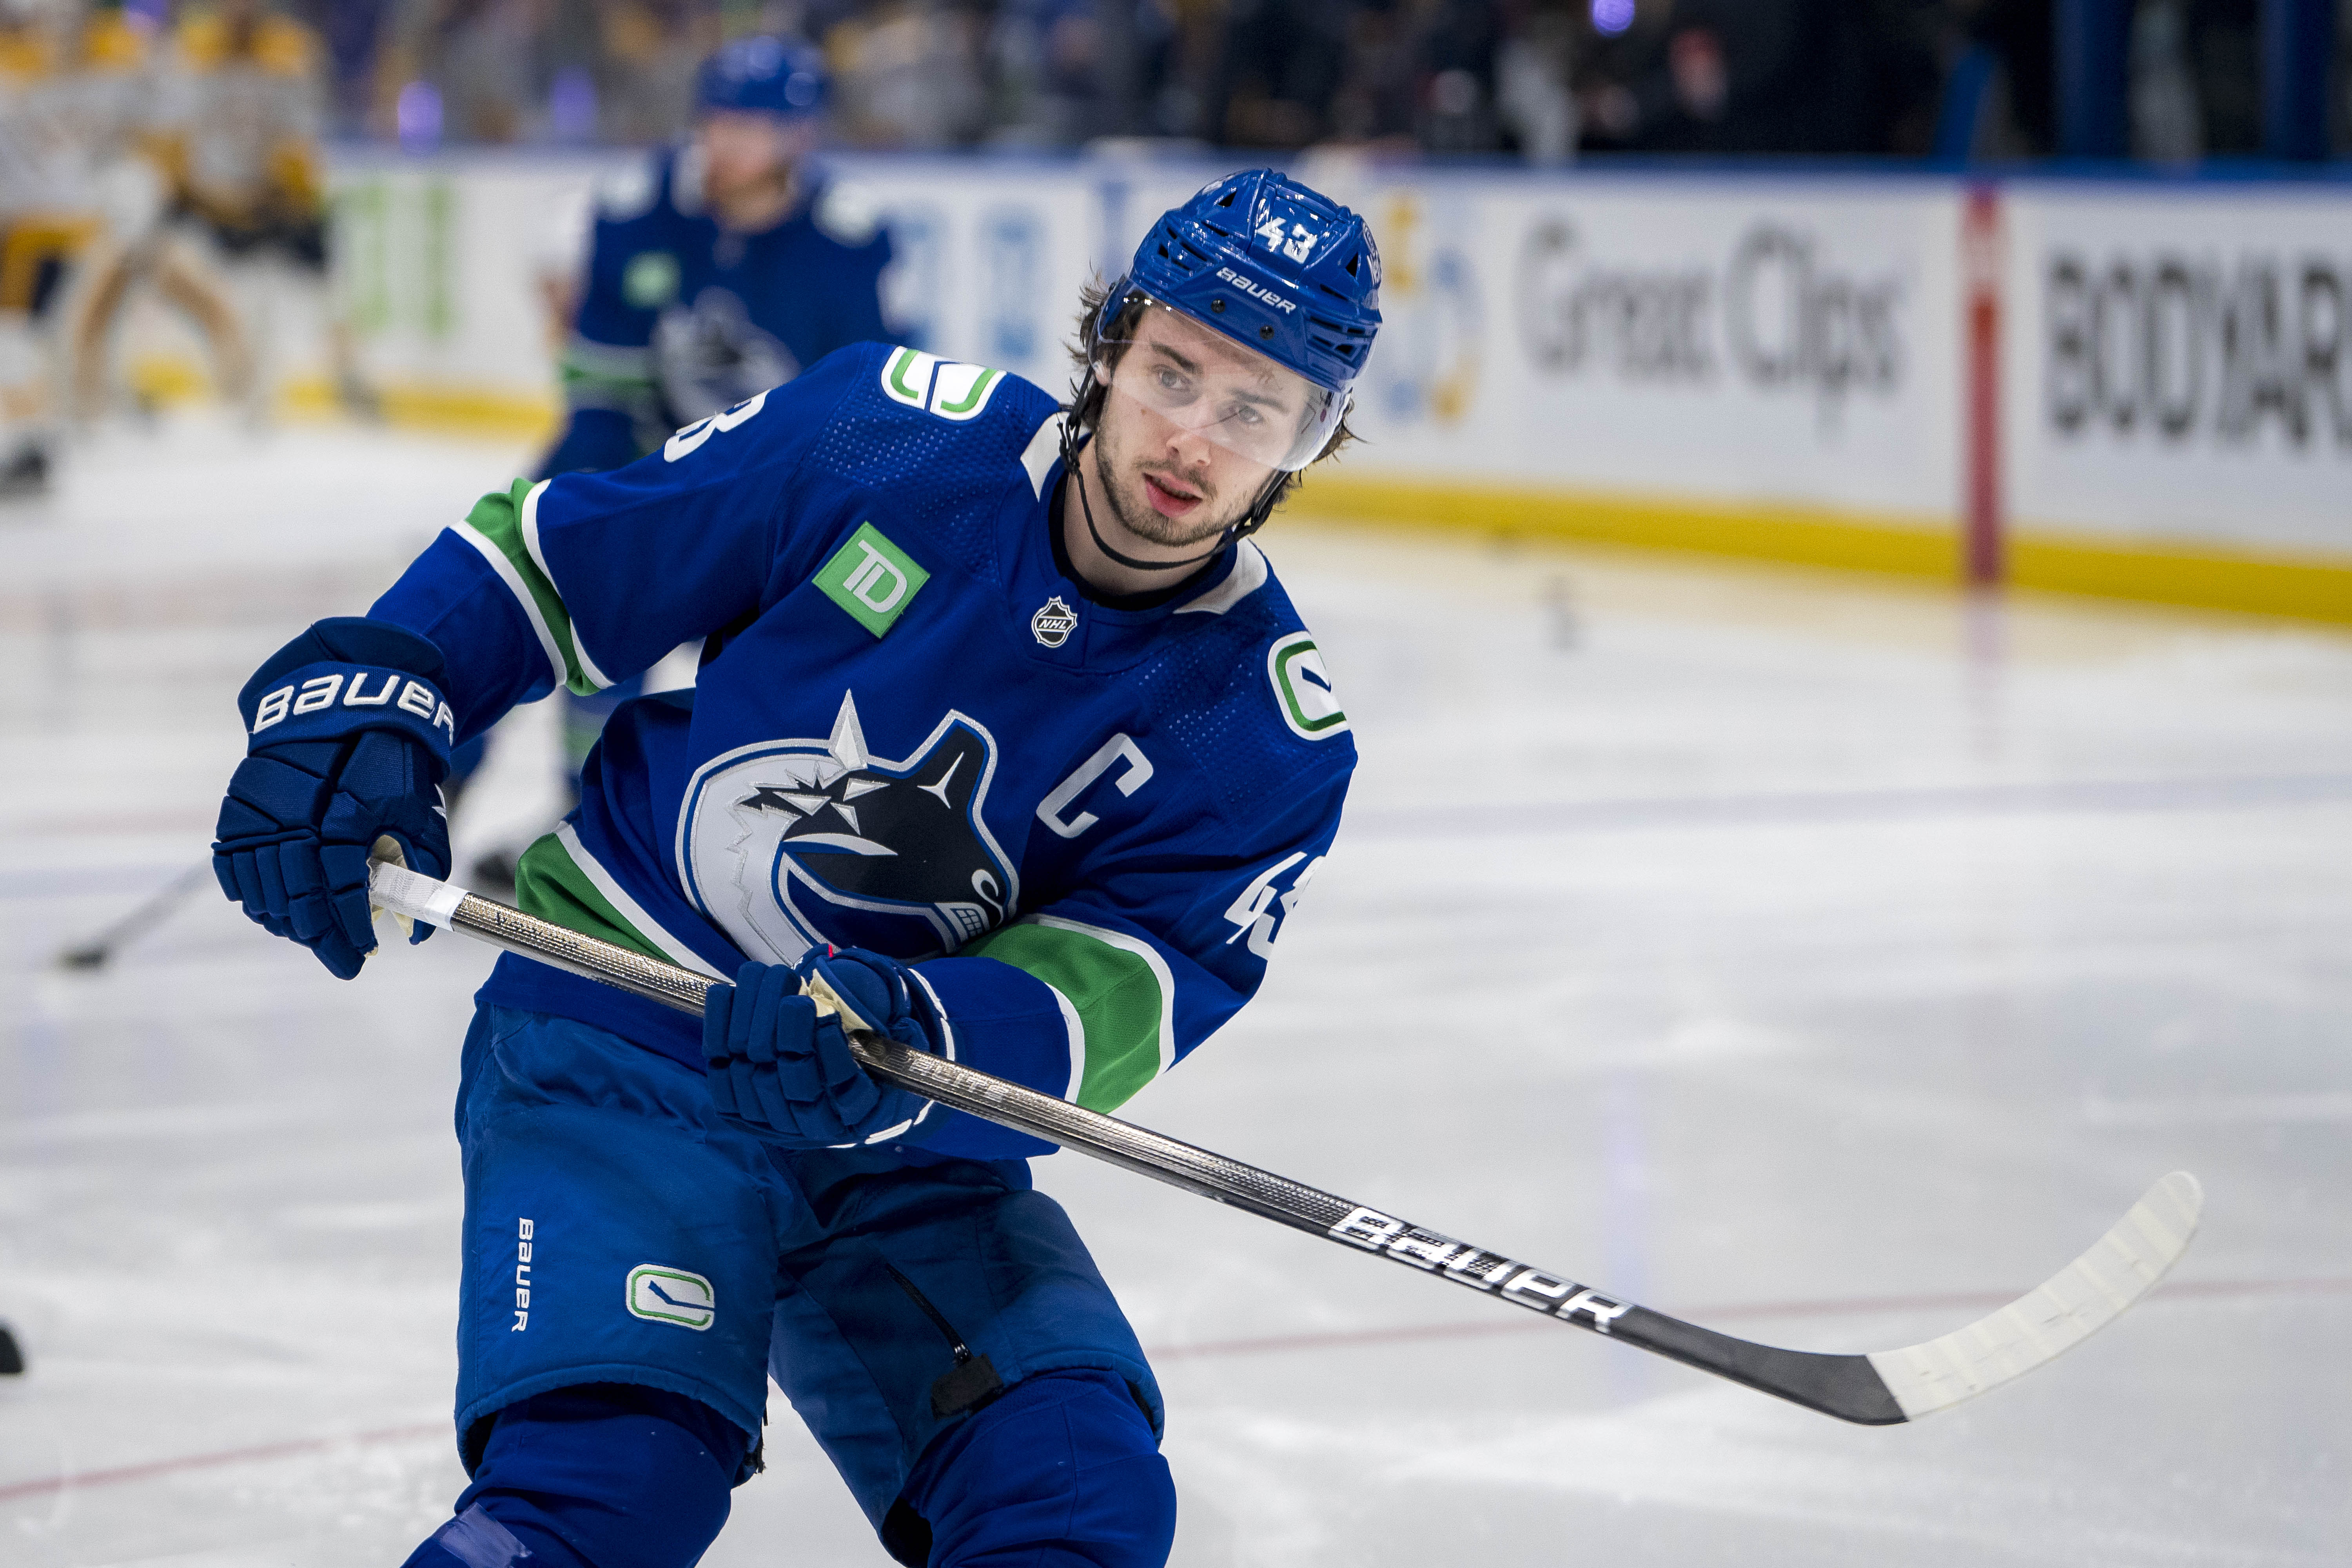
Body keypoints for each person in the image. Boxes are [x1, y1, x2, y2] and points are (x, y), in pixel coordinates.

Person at [209, 167, 1380, 1566]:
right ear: (1113, 343)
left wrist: (912, 1033)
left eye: (1256, 411)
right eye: (1173, 373)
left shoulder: (1264, 736)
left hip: (894, 1118)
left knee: (1072, 1500)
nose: (1191, 438)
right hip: (630, 1030)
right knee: (606, 1497)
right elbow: (566, 562)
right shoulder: (886, 438)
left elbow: (1119, 993)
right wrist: (383, 689)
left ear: (1311, 441)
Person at [449, 32, 892, 893]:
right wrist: (594, 522)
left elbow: (873, 417)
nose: (731, 143)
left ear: (800, 137)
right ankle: (525, 802)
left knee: (811, 660)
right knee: (545, 581)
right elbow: (599, 403)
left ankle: (744, 847)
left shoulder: (849, 241)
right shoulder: (635, 210)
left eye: (756, 127)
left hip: (785, 505)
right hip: (652, 470)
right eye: (721, 120)